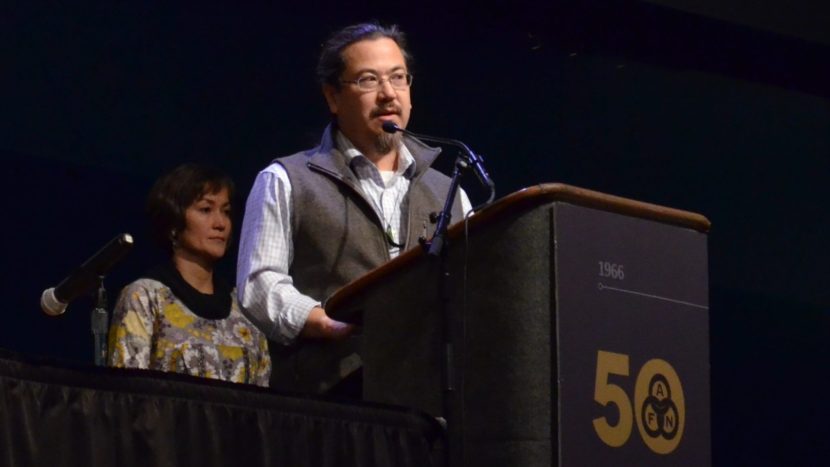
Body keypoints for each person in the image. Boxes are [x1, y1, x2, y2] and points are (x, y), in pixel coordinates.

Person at [236, 22, 471, 381]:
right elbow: (260, 285)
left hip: (430, 400)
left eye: (398, 78)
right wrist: (322, 320)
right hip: (331, 403)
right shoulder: (286, 180)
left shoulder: (450, 192)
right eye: (368, 80)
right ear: (332, 97)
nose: (388, 94)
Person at [108, 164, 271, 387]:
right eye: (206, 210)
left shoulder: (245, 308)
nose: (220, 224)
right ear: (174, 224)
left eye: (225, 211)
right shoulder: (145, 297)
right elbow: (128, 396)